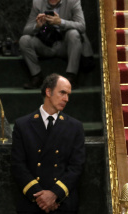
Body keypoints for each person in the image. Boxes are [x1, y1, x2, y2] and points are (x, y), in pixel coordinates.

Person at [11, 73, 85, 213]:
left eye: (68, 94)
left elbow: (76, 166)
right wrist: (40, 197)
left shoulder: (75, 126)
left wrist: (54, 194)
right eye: (62, 93)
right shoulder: (23, 125)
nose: (66, 99)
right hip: (32, 202)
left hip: (62, 202)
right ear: (48, 91)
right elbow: (18, 165)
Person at [20, 0, 93, 89]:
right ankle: (37, 77)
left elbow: (82, 26)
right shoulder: (37, 3)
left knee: (73, 33)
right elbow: (25, 31)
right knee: (24, 40)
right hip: (45, 44)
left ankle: (71, 77)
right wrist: (37, 26)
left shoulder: (73, 1)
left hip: (66, 45)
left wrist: (61, 22)